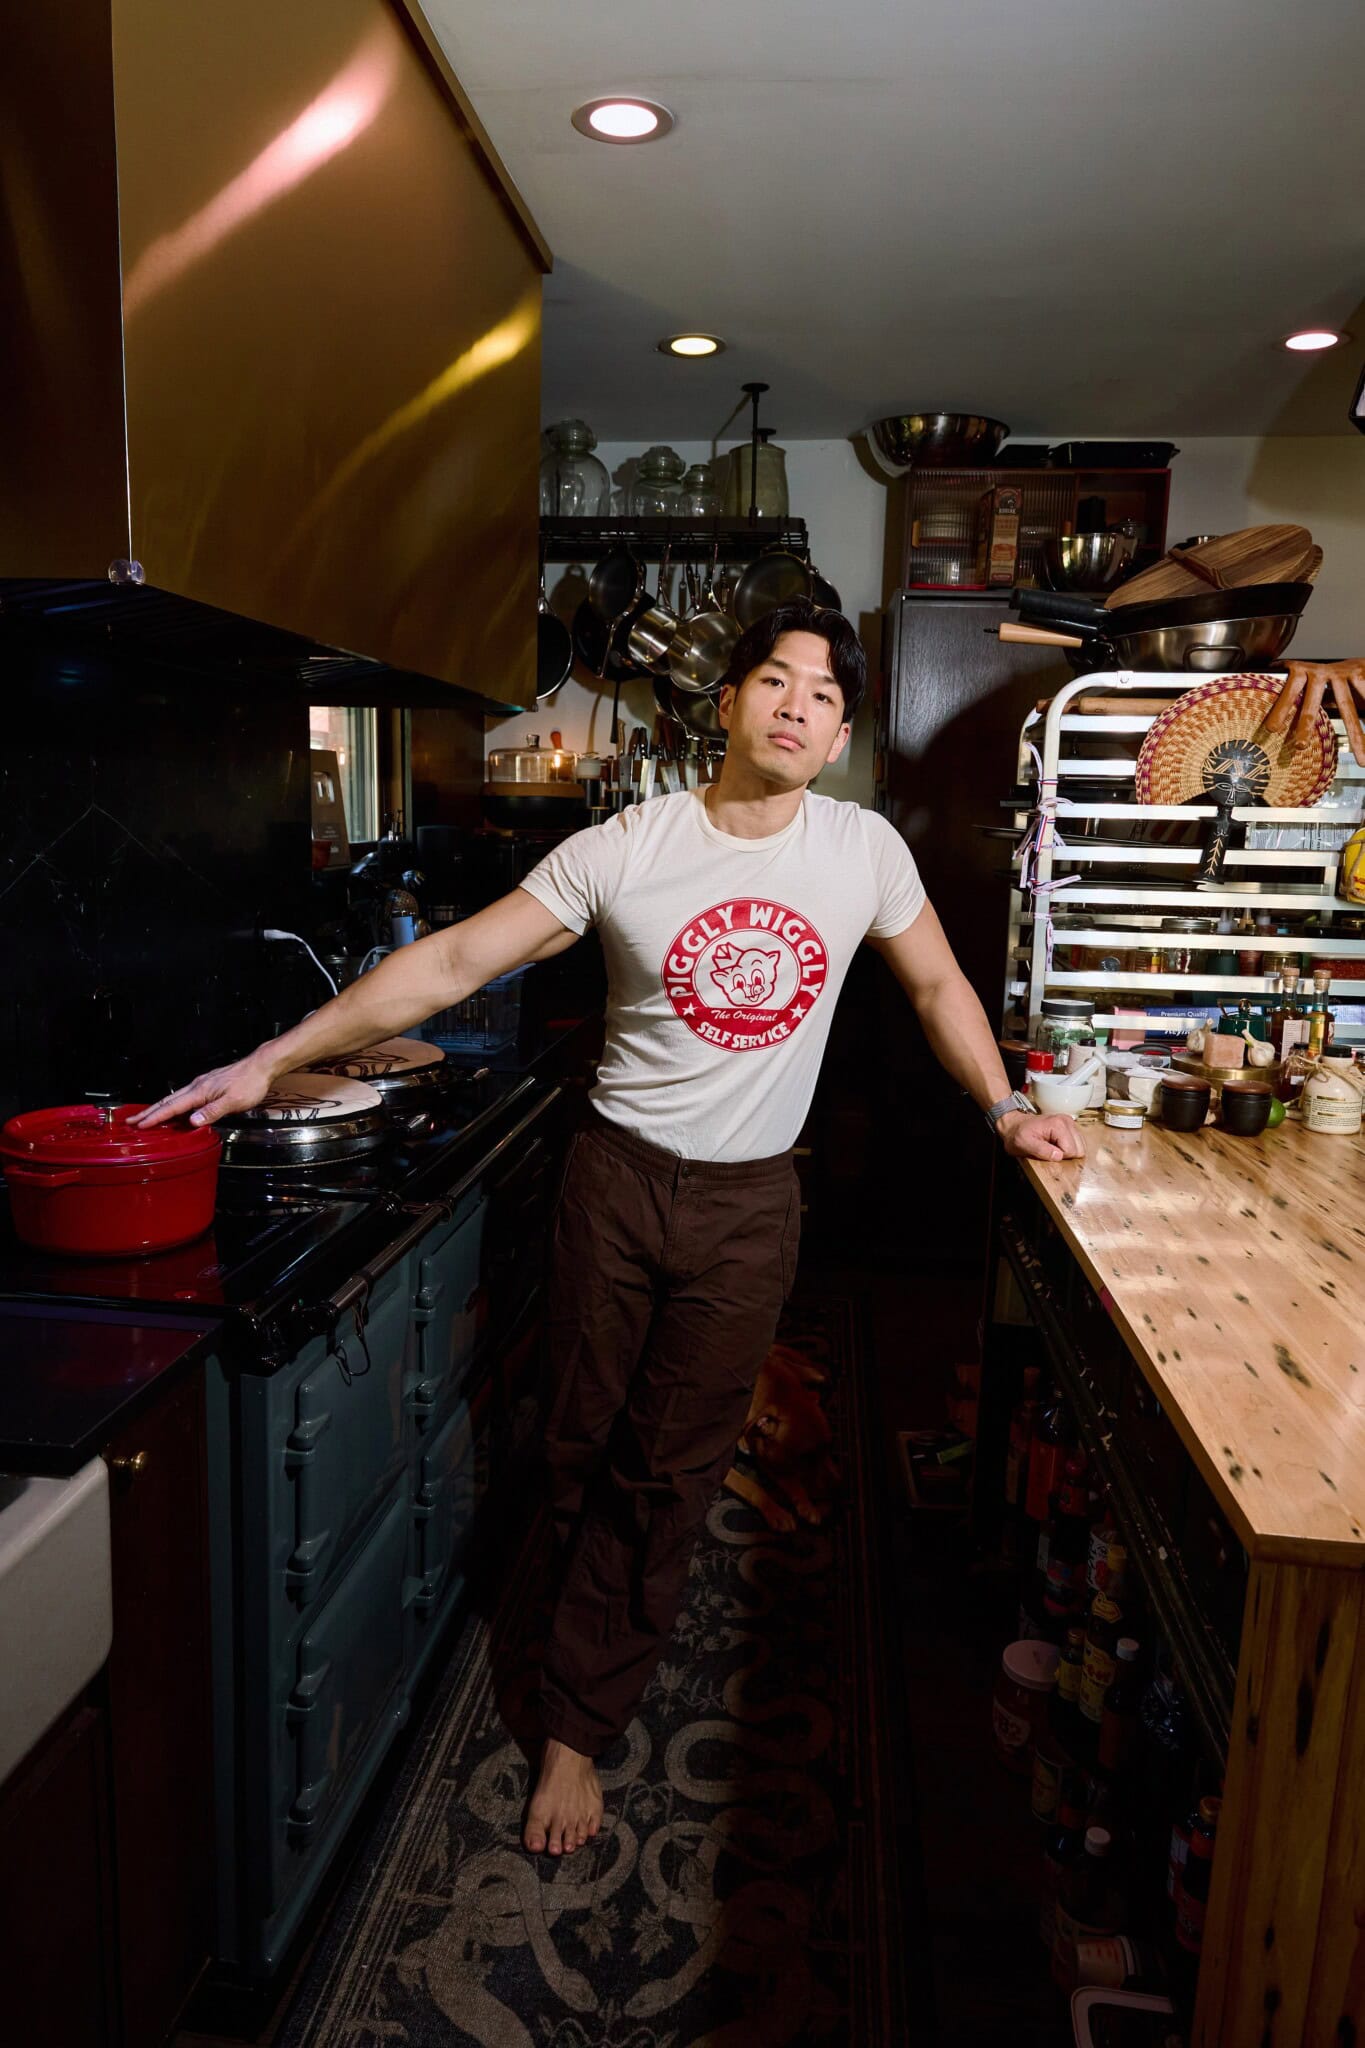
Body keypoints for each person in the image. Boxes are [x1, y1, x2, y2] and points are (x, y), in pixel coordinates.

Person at [134, 599, 1082, 1860]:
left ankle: (578, 1718)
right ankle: (584, 1594)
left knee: (669, 1467)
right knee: (577, 1434)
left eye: (825, 698)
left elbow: (936, 984)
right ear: (730, 701)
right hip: (618, 1182)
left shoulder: (864, 853)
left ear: (841, 735)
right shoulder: (626, 844)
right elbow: (456, 960)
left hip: (751, 1204)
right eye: (776, 680)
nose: (799, 706)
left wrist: (1008, 1106)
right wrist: (274, 1055)